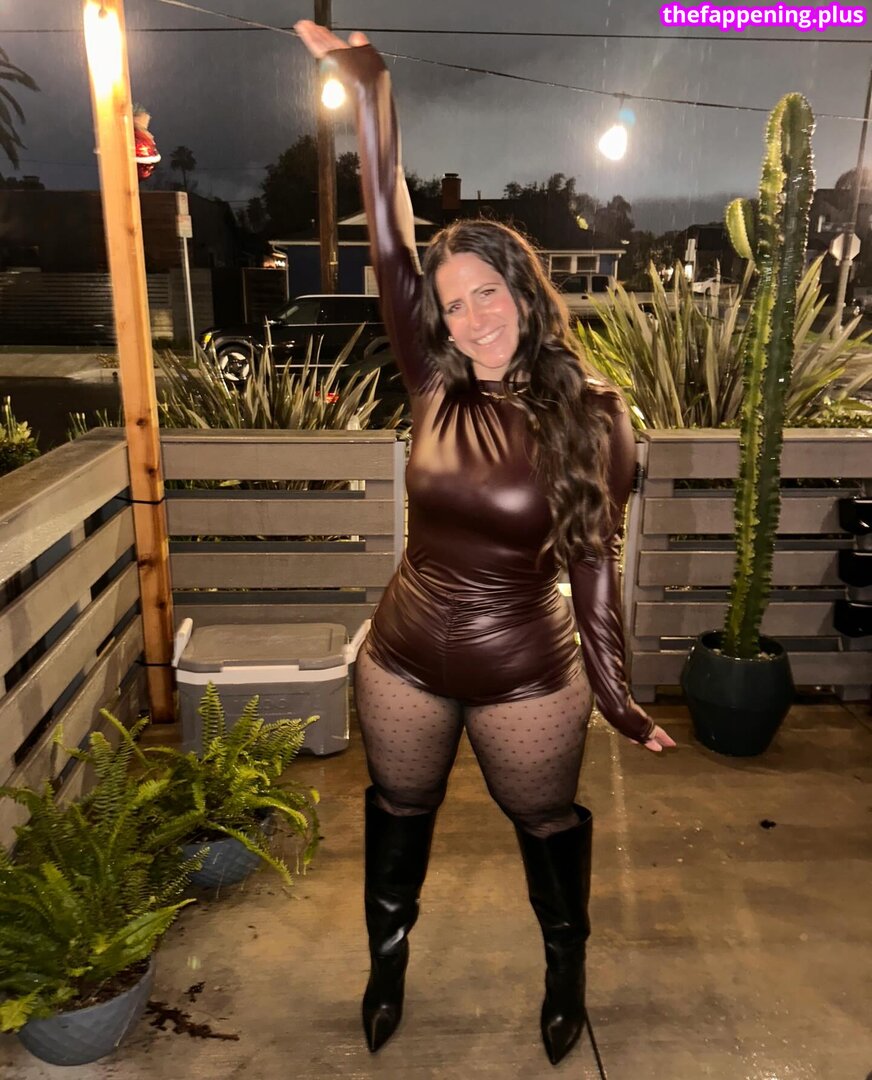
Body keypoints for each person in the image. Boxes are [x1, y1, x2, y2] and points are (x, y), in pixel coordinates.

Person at [296, 22, 676, 1067]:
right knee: (396, 813)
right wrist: (369, 84)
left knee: (546, 829)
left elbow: (593, 568)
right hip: (403, 659)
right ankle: (386, 969)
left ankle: (565, 975)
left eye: (487, 294)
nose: (470, 319)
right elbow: (387, 228)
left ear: (523, 291)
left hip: (526, 673)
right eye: (453, 304)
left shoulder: (595, 415)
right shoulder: (430, 383)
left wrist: (618, 699)